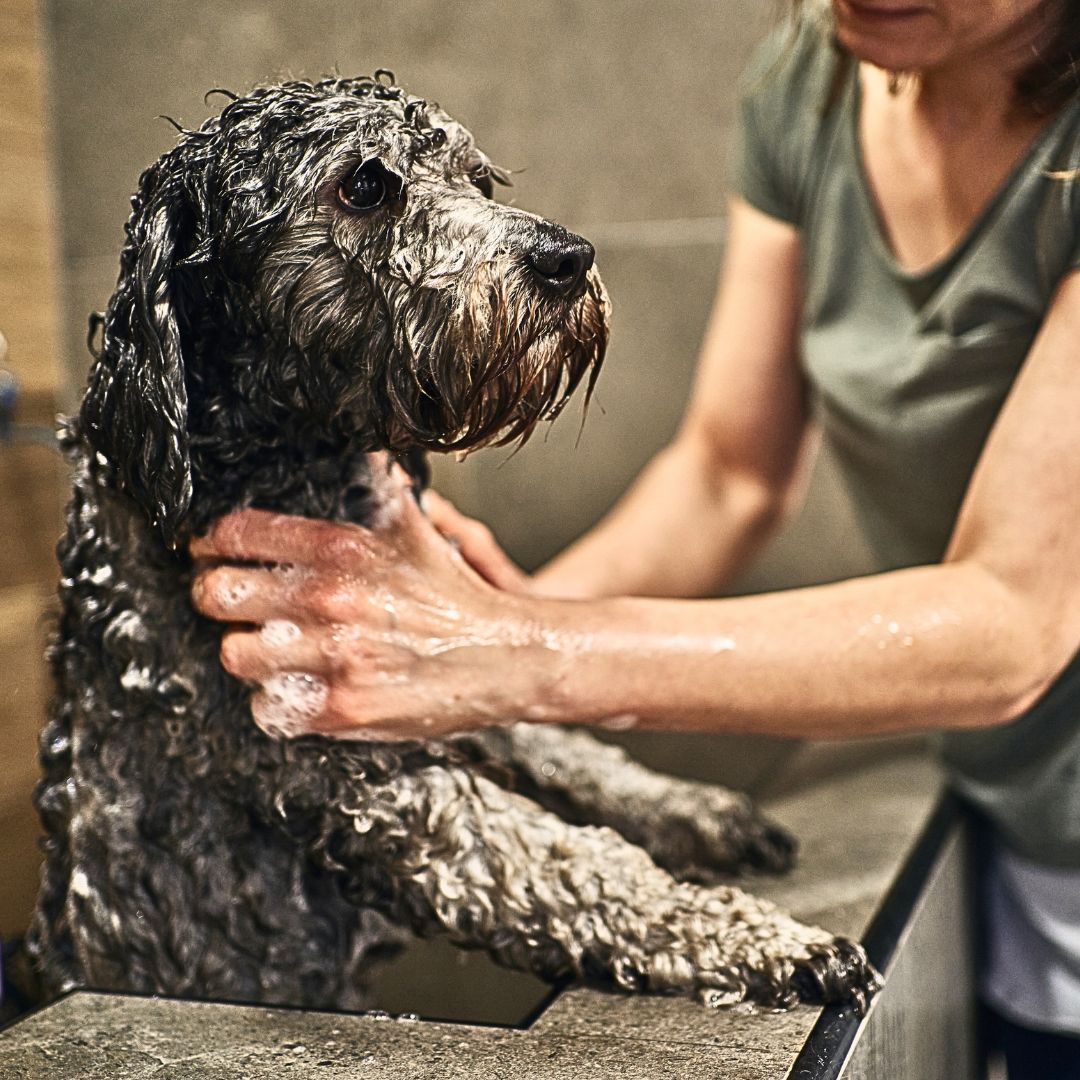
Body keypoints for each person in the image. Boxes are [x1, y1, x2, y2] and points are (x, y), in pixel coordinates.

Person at [190, 1, 1080, 1074]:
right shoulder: (821, 75)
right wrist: (439, 639)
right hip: (1004, 816)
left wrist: (516, 656)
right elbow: (728, 475)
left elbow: (1013, 626)